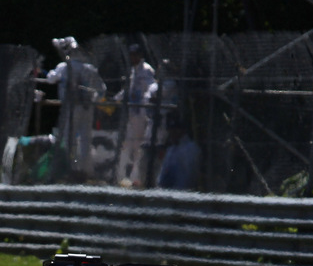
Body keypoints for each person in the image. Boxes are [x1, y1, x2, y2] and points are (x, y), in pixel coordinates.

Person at [43, 37, 105, 180]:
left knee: (68, 138)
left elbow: (50, 79)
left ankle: (69, 169)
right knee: (85, 139)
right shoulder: (89, 68)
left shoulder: (64, 67)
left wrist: (46, 72)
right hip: (87, 108)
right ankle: (85, 170)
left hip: (71, 108)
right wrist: (92, 100)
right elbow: (102, 89)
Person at [114, 43, 157, 186]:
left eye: (135, 54)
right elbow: (129, 89)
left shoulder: (146, 70)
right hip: (132, 113)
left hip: (141, 114)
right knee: (127, 145)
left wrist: (145, 102)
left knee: (138, 146)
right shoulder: (133, 71)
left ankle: (136, 178)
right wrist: (116, 98)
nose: (132, 57)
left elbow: (151, 88)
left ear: (140, 55)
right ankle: (121, 177)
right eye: (131, 55)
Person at [157, 119, 202, 190]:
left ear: (182, 131)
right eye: (171, 130)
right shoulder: (171, 149)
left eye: (175, 130)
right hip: (167, 191)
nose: (172, 133)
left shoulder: (191, 148)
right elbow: (164, 172)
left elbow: (190, 175)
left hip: (182, 192)